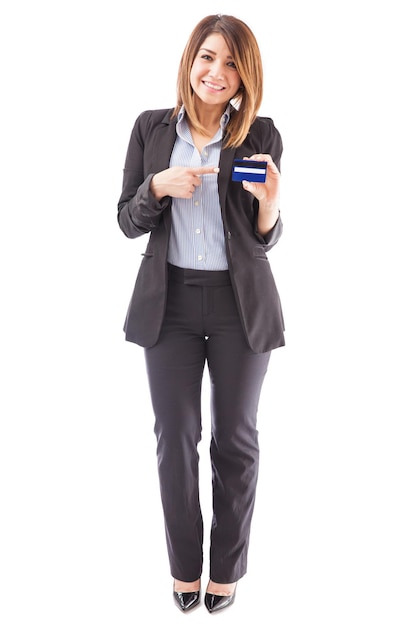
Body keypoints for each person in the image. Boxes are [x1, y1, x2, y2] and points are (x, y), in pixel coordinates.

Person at [117, 14, 285, 613]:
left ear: (246, 76)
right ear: (192, 60)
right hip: (172, 304)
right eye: (209, 57)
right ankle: (185, 567)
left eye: (233, 63)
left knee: (236, 438)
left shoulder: (260, 135)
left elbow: (263, 240)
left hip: (242, 307)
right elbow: (126, 220)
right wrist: (157, 187)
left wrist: (269, 206)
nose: (218, 73)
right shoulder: (151, 130)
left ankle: (228, 567)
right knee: (176, 437)